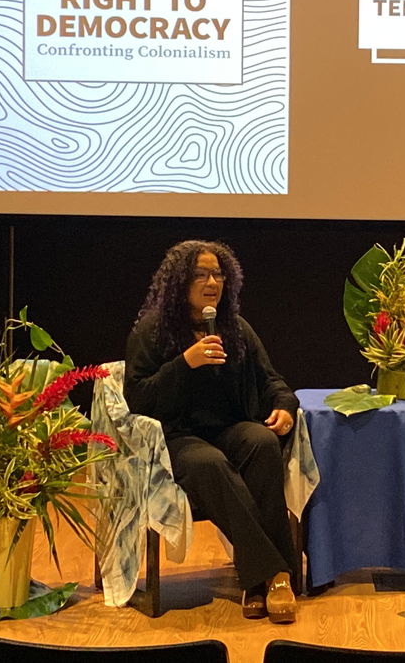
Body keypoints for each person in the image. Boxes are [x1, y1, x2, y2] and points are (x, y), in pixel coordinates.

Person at [124, 240, 301, 624]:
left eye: (218, 275)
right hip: (177, 437)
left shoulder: (235, 328)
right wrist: (184, 364)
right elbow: (138, 399)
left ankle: (256, 581)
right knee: (210, 463)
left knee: (262, 441)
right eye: (201, 275)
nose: (211, 283)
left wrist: (285, 407)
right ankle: (276, 573)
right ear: (179, 281)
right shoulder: (153, 330)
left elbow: (271, 381)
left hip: (228, 428)